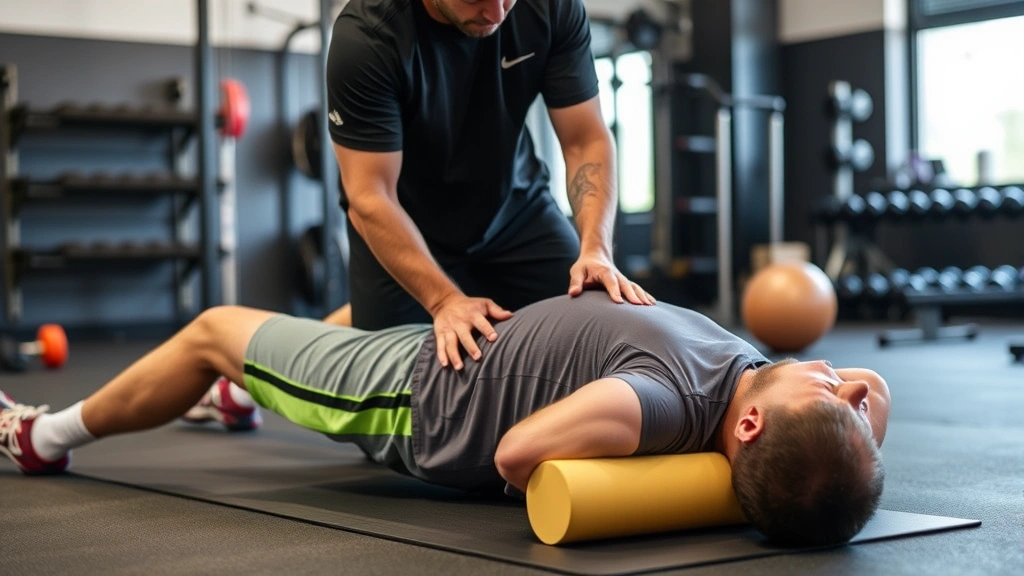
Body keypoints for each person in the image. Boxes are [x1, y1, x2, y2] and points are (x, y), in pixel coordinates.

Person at [0, 292, 889, 545]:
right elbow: (861, 403)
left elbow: (516, 453)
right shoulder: (756, 384)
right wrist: (846, 413)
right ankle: (247, 395)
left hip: (414, 389)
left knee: (214, 333)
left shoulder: (658, 402)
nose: (836, 378)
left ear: (747, 430)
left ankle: (43, 437)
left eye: (824, 393)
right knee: (350, 302)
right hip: (472, 329)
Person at [326, 0, 654, 369]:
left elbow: (585, 140)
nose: (498, 15)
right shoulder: (368, 36)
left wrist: (595, 250)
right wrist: (442, 301)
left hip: (515, 213)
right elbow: (370, 195)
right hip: (405, 225)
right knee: (395, 393)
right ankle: (338, 322)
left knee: (603, 325)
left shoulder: (549, 6)